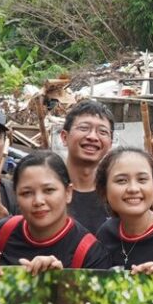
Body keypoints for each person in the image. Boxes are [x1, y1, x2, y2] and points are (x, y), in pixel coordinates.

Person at [0, 152, 99, 271]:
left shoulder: (90, 252)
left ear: (68, 192)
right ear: (15, 196)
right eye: (27, 193)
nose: (38, 201)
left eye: (48, 190)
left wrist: (62, 280)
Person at [59, 100, 114, 233]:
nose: (93, 137)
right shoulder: (49, 190)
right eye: (84, 128)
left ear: (110, 143)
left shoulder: (115, 194)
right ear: (64, 137)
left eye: (102, 132)